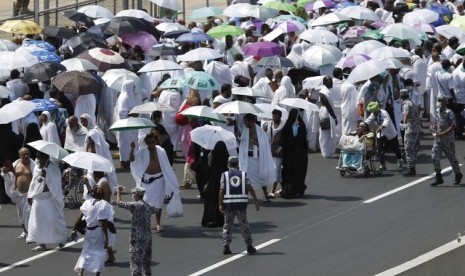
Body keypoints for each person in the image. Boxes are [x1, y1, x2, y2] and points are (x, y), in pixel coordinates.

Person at [130, 133, 178, 232]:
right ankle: (145, 223)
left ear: (156, 142)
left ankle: (158, 224)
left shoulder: (161, 151)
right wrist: (132, 149)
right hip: (147, 180)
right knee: (145, 202)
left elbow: (166, 165)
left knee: (158, 203)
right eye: (149, 142)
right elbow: (132, 160)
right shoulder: (143, 152)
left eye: (153, 142)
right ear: (146, 143)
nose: (151, 144)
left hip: (159, 179)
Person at [27, 151, 67, 251]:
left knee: (54, 219)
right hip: (38, 198)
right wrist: (29, 195)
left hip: (50, 198)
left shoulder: (53, 168)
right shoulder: (37, 167)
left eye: (40, 159)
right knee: (37, 220)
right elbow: (34, 182)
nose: (39, 162)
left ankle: (62, 239)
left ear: (46, 158)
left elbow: (55, 184)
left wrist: (46, 176)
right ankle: (41, 244)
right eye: (38, 159)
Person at [219, 156, 260, 255]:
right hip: (241, 204)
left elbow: (221, 190)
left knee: (228, 225)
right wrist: (256, 200)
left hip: (229, 204)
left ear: (228, 164)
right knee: (244, 224)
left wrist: (220, 203)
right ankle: (249, 246)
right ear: (238, 164)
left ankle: (226, 246)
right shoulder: (243, 174)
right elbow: (249, 187)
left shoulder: (224, 175)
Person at [116, 186, 158, 276]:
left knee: (135, 263)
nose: (133, 195)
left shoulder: (135, 205)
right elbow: (156, 209)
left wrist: (118, 192)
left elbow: (119, 203)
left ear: (137, 195)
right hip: (147, 236)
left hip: (137, 238)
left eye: (133, 194)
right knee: (146, 262)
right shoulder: (148, 205)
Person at [73, 186, 113, 276]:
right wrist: (107, 238)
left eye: (101, 190)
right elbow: (104, 222)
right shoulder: (104, 205)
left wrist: (74, 229)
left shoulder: (87, 203)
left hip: (89, 231)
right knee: (99, 253)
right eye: (99, 190)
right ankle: (96, 273)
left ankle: (81, 272)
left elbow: (79, 218)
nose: (100, 191)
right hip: (98, 232)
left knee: (86, 251)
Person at [238, 114, 275, 202]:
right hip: (248, 159)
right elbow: (242, 143)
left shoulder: (260, 132)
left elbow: (265, 145)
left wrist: (256, 143)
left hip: (258, 159)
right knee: (246, 177)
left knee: (261, 177)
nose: (245, 123)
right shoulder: (245, 130)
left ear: (252, 121)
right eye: (245, 122)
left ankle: (265, 195)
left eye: (247, 121)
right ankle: (244, 196)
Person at [1, 148, 35, 239]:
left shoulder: (33, 165)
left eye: (27, 154)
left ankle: (30, 234)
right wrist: (5, 172)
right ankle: (25, 231)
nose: (26, 156)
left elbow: (36, 178)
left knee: (28, 213)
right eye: (23, 154)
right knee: (21, 215)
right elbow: (9, 175)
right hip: (18, 194)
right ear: (19, 155)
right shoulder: (15, 164)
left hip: (29, 194)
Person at [430, 95, 463, 186]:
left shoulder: (449, 112)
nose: (439, 102)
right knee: (434, 156)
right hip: (438, 138)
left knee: (451, 157)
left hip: (448, 139)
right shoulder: (437, 111)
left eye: (441, 100)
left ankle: (458, 174)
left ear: (445, 102)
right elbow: (439, 122)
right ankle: (439, 177)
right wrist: (435, 126)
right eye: (438, 100)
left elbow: (453, 125)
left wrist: (444, 133)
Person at [364, 102, 403, 169]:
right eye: (372, 112)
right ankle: (382, 164)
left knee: (395, 147)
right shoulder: (373, 114)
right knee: (379, 148)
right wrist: (362, 125)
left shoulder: (384, 113)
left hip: (389, 131)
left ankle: (399, 159)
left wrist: (381, 127)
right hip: (381, 133)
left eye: (374, 112)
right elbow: (368, 120)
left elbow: (386, 121)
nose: (373, 114)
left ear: (377, 110)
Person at [281, 109, 308, 199]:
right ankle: (288, 190)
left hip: (299, 155)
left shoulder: (301, 125)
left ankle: (298, 190)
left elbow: (303, 139)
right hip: (289, 155)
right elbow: (283, 138)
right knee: (288, 172)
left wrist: (297, 129)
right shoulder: (287, 126)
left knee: (298, 173)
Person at [202, 141, 229, 228]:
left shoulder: (213, 156)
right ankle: (220, 219)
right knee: (221, 201)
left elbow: (207, 169)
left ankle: (210, 218)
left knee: (211, 201)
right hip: (223, 182)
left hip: (213, 182)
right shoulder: (226, 158)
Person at [261, 109, 285, 198]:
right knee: (273, 170)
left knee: (276, 169)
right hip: (269, 150)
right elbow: (262, 135)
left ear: (280, 116)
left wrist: (281, 148)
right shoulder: (268, 124)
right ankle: (285, 188)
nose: (274, 118)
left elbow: (286, 139)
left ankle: (272, 191)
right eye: (273, 116)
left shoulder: (284, 125)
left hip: (279, 151)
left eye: (276, 117)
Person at [115, 80, 138, 169]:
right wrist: (133, 113)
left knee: (128, 143)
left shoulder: (128, 96)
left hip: (129, 124)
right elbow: (122, 112)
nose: (134, 88)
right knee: (125, 143)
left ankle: (127, 159)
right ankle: (124, 161)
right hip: (125, 124)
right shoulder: (124, 97)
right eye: (133, 86)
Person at [400, 90, 421, 176]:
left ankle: (411, 169)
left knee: (408, 148)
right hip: (416, 128)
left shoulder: (406, 104)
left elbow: (406, 114)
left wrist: (404, 124)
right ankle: (412, 167)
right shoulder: (412, 102)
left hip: (410, 129)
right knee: (413, 148)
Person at [319, 77, 339, 158]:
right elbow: (327, 105)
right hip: (326, 113)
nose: (331, 83)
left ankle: (327, 151)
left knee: (327, 133)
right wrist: (334, 117)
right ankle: (326, 152)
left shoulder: (326, 91)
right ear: (325, 82)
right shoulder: (324, 92)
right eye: (329, 82)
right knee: (326, 133)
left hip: (326, 112)